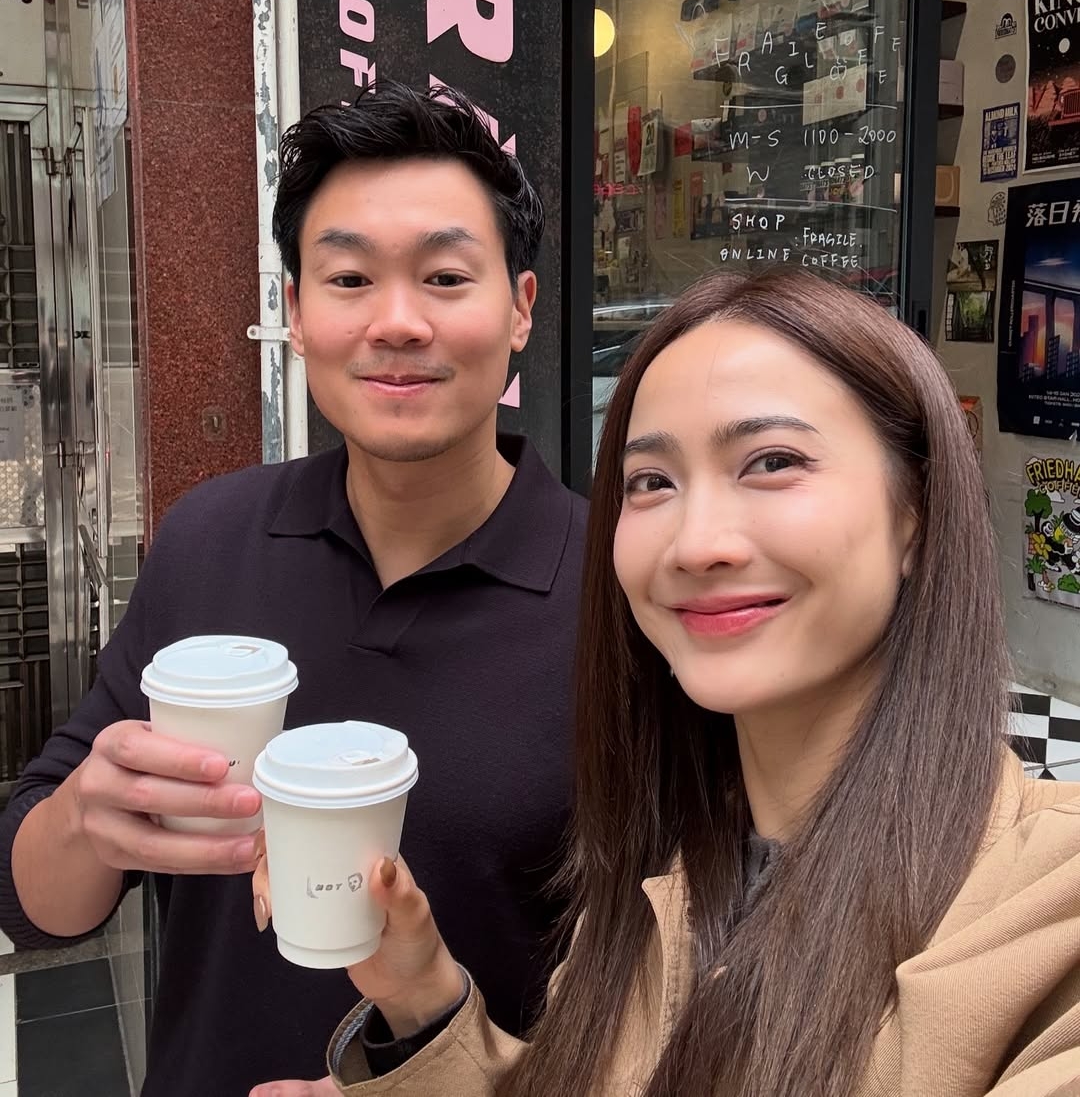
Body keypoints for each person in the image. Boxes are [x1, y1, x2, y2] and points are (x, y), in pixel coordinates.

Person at [268, 267, 1080, 1097]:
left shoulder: (1049, 909)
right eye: (652, 481)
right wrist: (420, 997)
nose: (696, 544)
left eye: (771, 462)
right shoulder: (663, 881)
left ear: (917, 513)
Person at [0, 81, 587, 1097]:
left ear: (521, 309)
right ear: (297, 314)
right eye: (349, 278)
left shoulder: (617, 591)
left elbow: (672, 981)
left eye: (446, 277)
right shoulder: (211, 539)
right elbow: (39, 904)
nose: (397, 322)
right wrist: (86, 818)